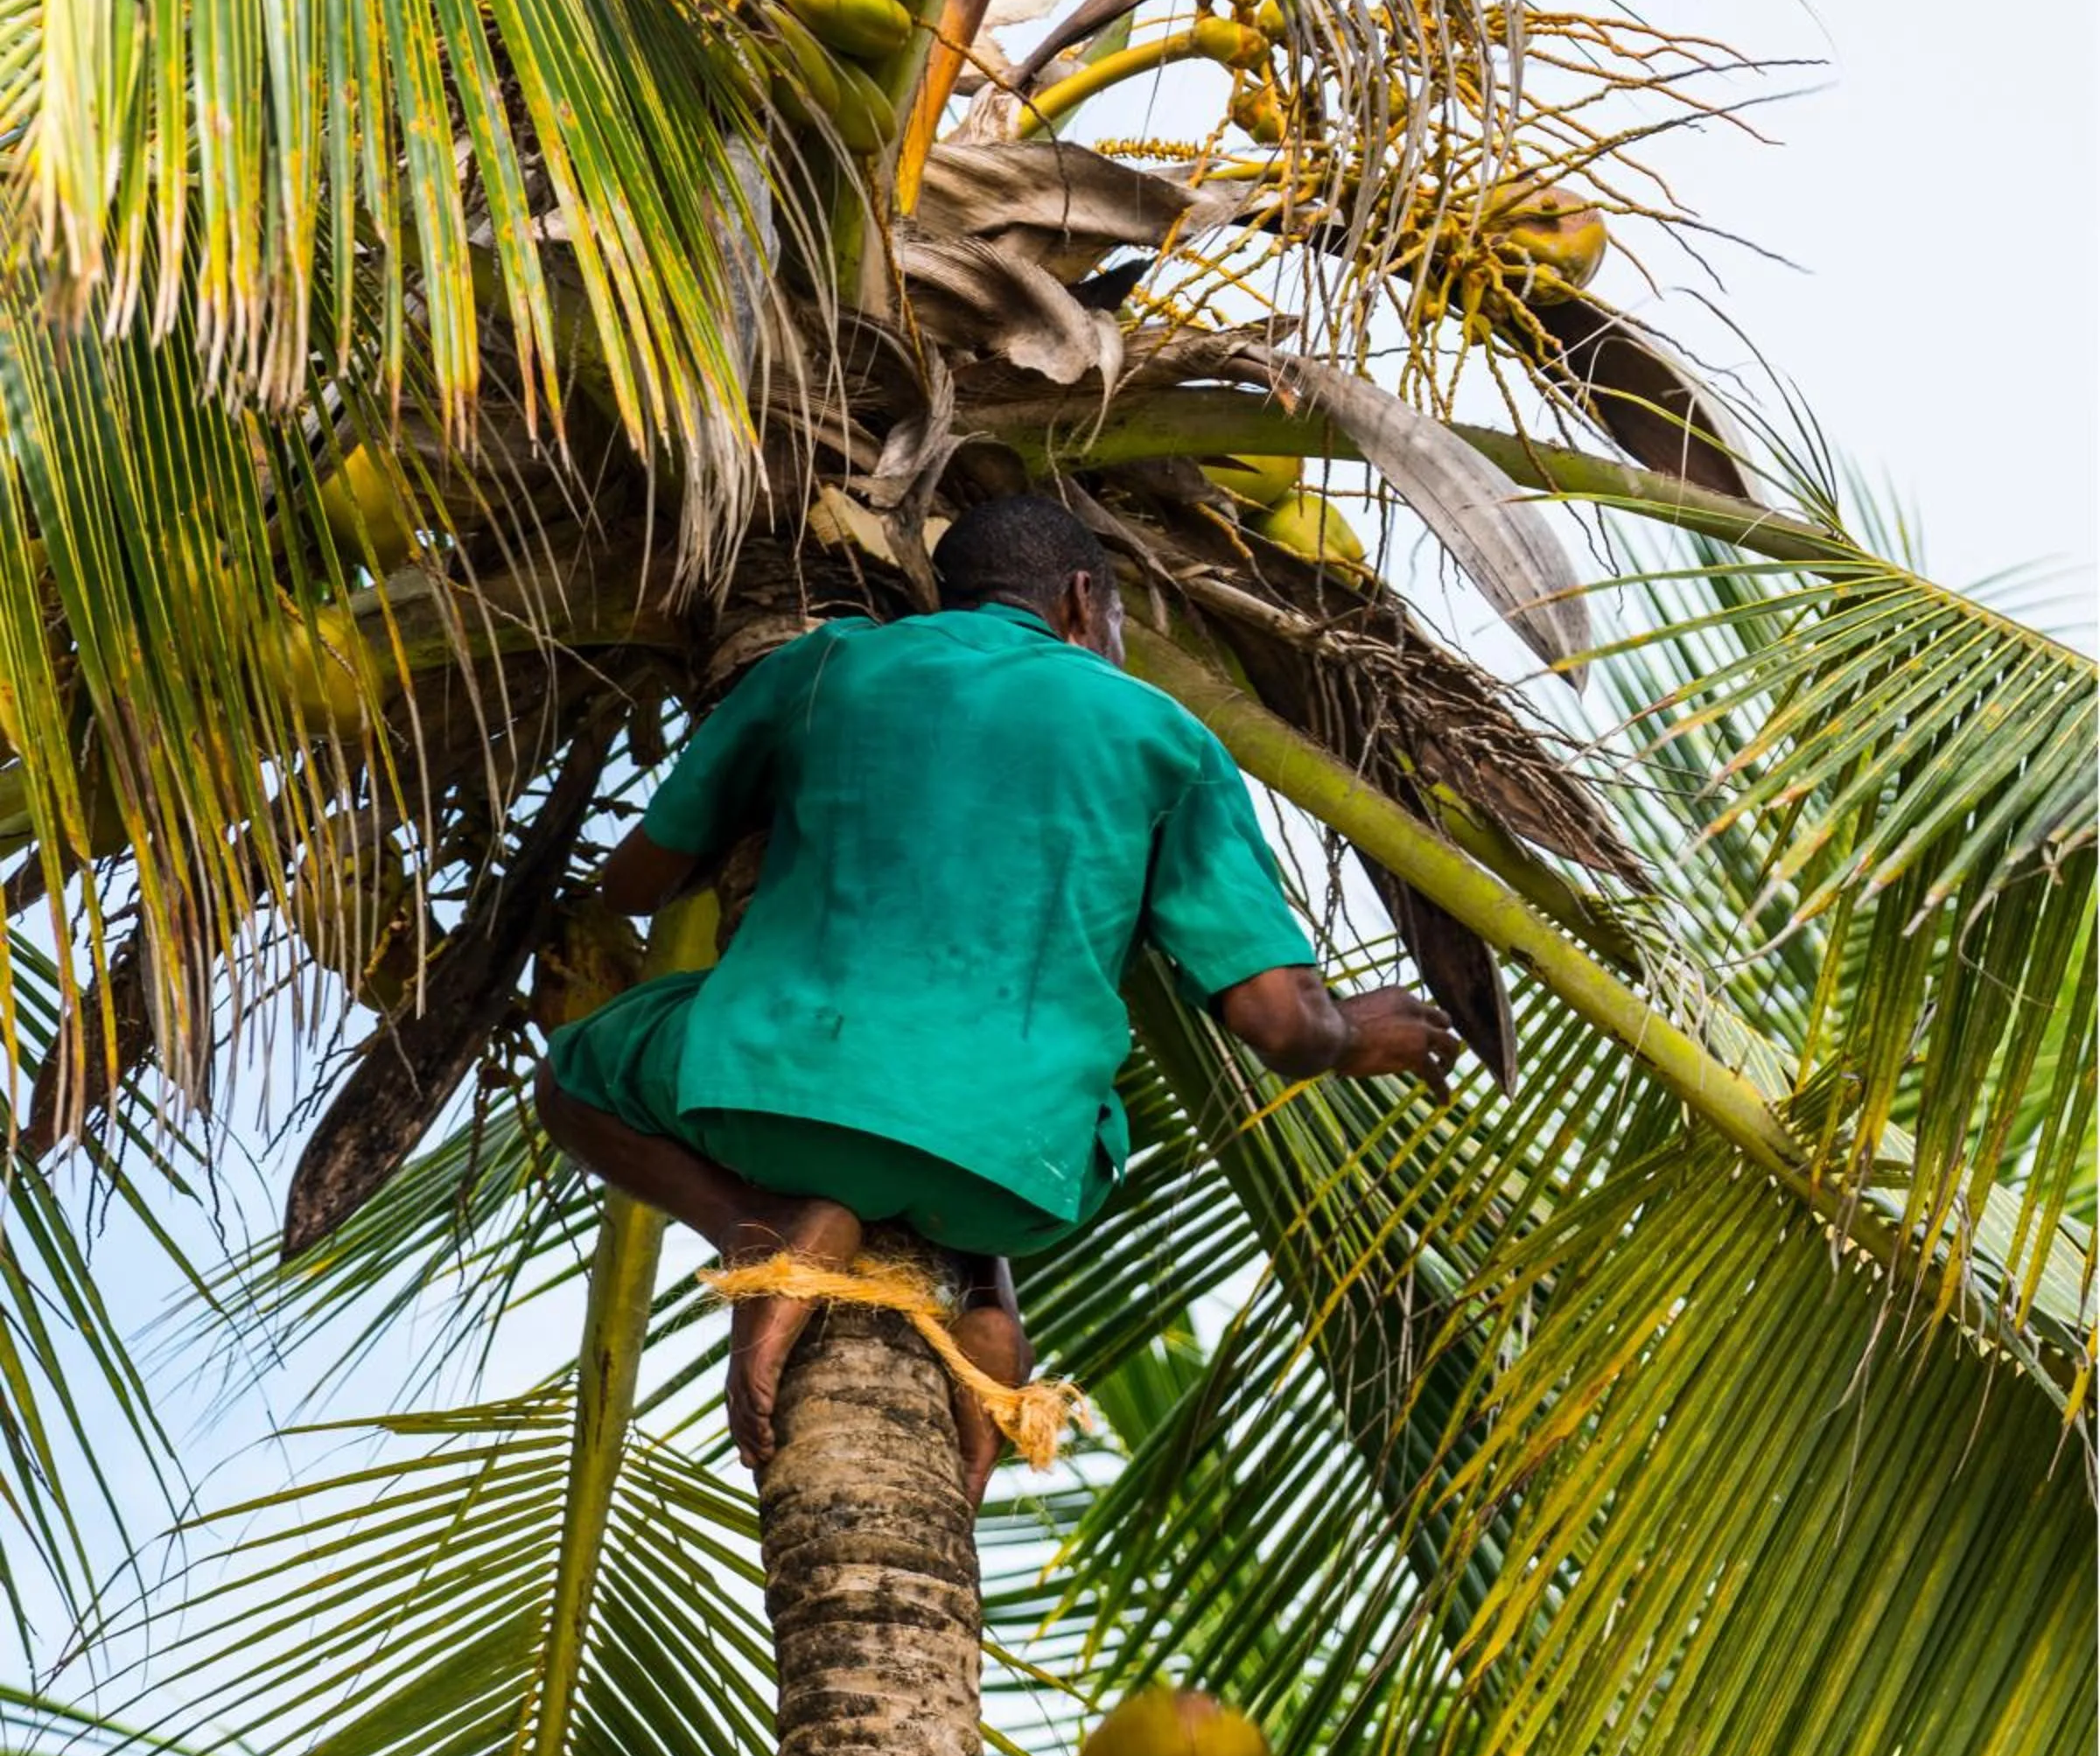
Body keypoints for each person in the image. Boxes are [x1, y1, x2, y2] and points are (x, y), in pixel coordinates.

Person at [536, 495, 1459, 1507]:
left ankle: (755, 1227)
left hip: (771, 1106)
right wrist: (1358, 1029)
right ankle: (986, 1296)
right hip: (1024, 1182)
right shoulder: (1171, 738)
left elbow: (635, 885)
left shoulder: (828, 665)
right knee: (988, 1065)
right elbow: (1281, 1026)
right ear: (1080, 601)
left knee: (575, 1079)